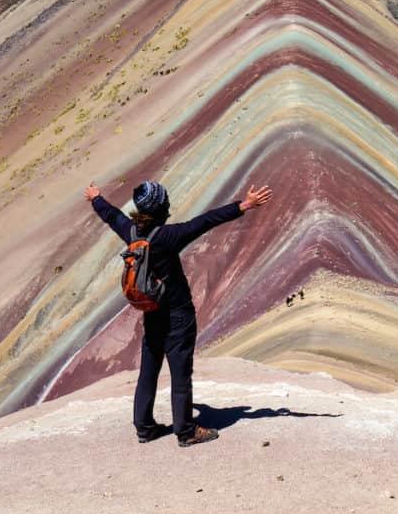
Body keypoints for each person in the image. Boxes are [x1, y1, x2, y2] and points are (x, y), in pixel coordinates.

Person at [84, 179, 274, 447]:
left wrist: (96, 198)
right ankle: (185, 431)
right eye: (166, 203)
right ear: (160, 208)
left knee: (148, 371)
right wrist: (244, 205)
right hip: (178, 316)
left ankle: (145, 428)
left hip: (152, 314)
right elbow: (206, 221)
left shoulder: (131, 232)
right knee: (180, 374)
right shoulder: (167, 237)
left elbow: (111, 215)